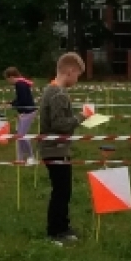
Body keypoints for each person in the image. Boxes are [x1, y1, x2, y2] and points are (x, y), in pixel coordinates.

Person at [39, 52, 87, 244]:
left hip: (55, 148)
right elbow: (59, 124)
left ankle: (63, 226)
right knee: (61, 191)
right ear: (70, 71)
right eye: (77, 75)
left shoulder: (51, 90)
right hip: (55, 149)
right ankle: (55, 231)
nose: (77, 80)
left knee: (63, 190)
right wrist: (82, 117)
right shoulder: (58, 93)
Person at [3, 67, 38, 163]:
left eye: (7, 79)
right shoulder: (21, 83)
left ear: (11, 77)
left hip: (28, 112)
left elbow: (23, 100)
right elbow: (20, 98)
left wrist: (12, 105)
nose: (7, 81)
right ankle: (20, 158)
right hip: (24, 112)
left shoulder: (20, 84)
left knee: (22, 135)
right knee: (19, 135)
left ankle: (31, 157)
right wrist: (11, 103)